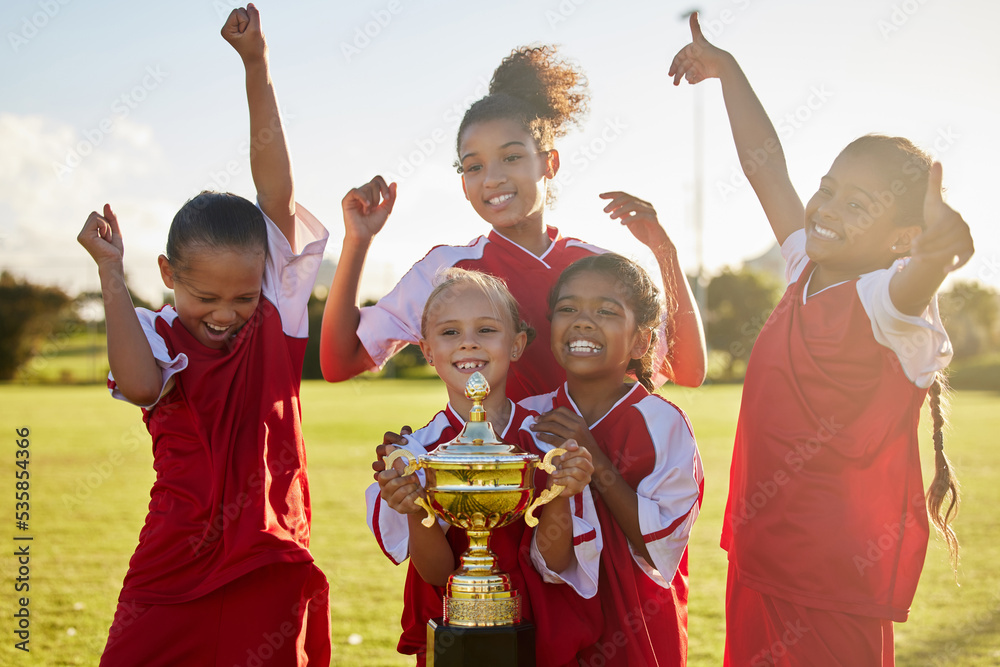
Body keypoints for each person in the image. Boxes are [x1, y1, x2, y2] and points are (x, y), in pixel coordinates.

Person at [668, 13, 974, 665]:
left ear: (902, 238)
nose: (829, 209)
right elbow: (766, 169)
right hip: (761, 558)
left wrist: (938, 256)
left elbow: (911, 285)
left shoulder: (884, 302)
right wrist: (728, 71)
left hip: (832, 585)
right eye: (828, 190)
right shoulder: (805, 265)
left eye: (858, 205)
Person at [77, 6, 331, 664]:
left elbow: (276, 188)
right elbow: (138, 385)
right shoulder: (152, 330)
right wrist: (110, 271)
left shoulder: (278, 310)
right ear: (167, 274)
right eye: (204, 296)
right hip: (173, 559)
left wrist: (256, 65)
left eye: (242, 296)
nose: (224, 313)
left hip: (267, 554)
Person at [321, 44, 707, 401]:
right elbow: (341, 362)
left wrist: (664, 250)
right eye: (474, 166)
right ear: (463, 183)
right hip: (487, 473)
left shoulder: (600, 268)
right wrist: (357, 241)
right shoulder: (443, 272)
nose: (492, 178)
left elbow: (686, 369)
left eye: (511, 157)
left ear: (549, 163)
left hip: (585, 473)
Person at [366, 268, 604, 666]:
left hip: (541, 637)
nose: (468, 344)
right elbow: (438, 575)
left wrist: (564, 491)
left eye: (487, 330)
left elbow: (557, 562)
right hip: (455, 640)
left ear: (517, 344)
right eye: (450, 332)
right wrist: (412, 508)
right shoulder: (414, 452)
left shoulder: (547, 442)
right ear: (426, 350)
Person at [528, 253, 705, 666]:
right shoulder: (530, 418)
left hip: (637, 633)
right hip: (547, 629)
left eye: (606, 311)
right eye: (567, 308)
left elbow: (660, 543)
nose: (583, 321)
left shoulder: (663, 422)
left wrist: (595, 461)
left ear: (642, 340)